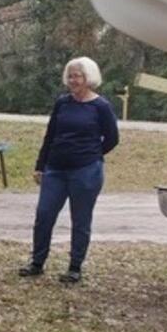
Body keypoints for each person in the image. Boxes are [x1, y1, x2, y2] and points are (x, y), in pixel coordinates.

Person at [22, 56, 119, 283]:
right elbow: (50, 134)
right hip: (55, 169)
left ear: (89, 78)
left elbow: (112, 138)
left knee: (81, 219)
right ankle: (37, 262)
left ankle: (75, 266)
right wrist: (40, 165)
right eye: (71, 76)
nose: (74, 80)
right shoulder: (62, 103)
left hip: (86, 171)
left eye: (78, 76)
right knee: (44, 215)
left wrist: (92, 154)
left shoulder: (100, 107)